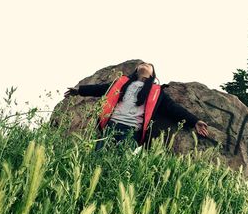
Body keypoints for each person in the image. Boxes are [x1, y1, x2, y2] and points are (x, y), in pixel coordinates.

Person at [64, 62, 209, 150]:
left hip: (131, 132)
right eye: (143, 63)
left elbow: (173, 108)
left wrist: (194, 121)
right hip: (110, 127)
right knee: (98, 156)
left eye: (149, 65)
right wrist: (79, 91)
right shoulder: (122, 83)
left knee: (122, 163)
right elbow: (100, 89)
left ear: (152, 74)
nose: (145, 64)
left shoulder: (156, 92)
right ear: (136, 70)